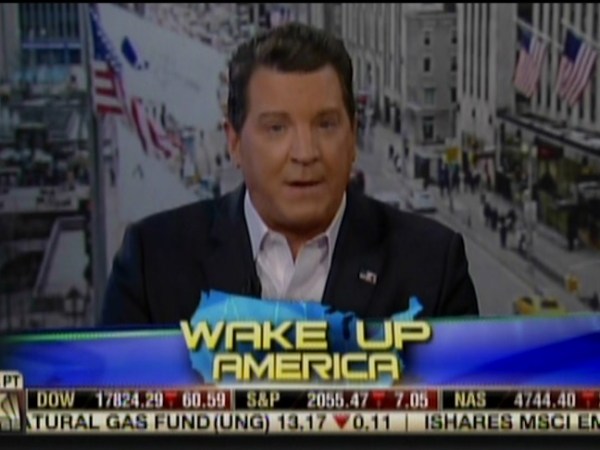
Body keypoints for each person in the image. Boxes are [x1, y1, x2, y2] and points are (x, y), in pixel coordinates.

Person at [101, 23, 479, 326]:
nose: (305, 153)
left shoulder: (434, 266)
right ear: (234, 141)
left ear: (353, 137)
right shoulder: (152, 261)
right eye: (277, 128)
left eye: (326, 124)